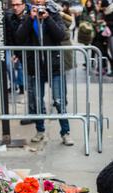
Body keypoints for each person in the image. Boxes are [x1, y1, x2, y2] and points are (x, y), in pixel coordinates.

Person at [15, 0, 74, 145]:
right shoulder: (27, 16)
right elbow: (19, 38)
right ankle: (40, 130)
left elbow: (61, 36)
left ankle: (65, 132)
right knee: (37, 100)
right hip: (35, 66)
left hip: (54, 65)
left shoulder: (54, 14)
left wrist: (47, 18)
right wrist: (31, 18)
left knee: (59, 100)